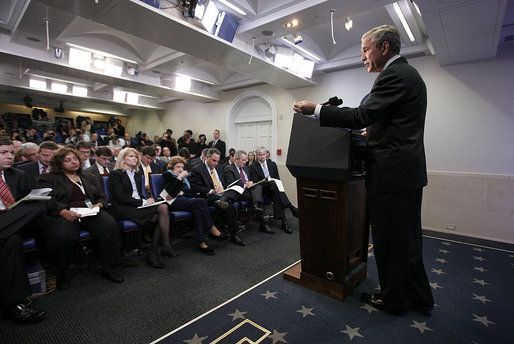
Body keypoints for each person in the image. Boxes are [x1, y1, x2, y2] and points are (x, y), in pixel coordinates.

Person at [293, 25, 434, 315]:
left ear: (384, 48)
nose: (362, 57)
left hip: (392, 175)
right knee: (406, 240)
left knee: (389, 242)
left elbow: (361, 116)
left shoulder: (394, 75)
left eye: (365, 49)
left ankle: (395, 300)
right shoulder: (408, 74)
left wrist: (316, 110)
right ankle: (418, 296)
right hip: (404, 173)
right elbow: (384, 122)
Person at [35, 148, 125, 289]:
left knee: (109, 226)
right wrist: (62, 211)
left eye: (75, 159)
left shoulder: (88, 176)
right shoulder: (49, 178)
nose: (73, 162)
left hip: (89, 211)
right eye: (68, 160)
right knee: (62, 236)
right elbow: (45, 199)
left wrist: (99, 204)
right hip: (65, 213)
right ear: (59, 163)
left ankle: (108, 267)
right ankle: (61, 275)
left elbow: (101, 195)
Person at [0, 137, 47, 323]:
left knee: (38, 207)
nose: (10, 157)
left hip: (12, 221)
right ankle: (15, 306)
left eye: (12, 152)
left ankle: (14, 305)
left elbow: (25, 206)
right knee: (11, 240)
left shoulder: (17, 175)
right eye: (3, 153)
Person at [108, 148, 175, 268]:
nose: (135, 158)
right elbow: (120, 198)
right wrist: (143, 202)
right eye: (131, 156)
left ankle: (158, 250)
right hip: (123, 208)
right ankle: (161, 247)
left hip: (138, 206)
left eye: (135, 156)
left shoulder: (138, 174)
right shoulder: (115, 174)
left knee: (163, 209)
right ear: (123, 159)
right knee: (163, 212)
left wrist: (148, 201)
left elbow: (139, 193)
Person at [162, 156, 228, 255]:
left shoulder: (185, 178)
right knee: (201, 202)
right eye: (178, 167)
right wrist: (179, 178)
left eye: (182, 167)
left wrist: (183, 193)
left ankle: (201, 243)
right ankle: (211, 228)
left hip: (185, 200)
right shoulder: (167, 175)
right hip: (172, 202)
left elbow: (191, 192)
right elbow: (170, 193)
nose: (180, 169)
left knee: (198, 210)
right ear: (172, 167)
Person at [190, 148, 246, 246]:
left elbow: (224, 182)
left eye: (217, 161)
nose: (216, 163)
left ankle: (223, 200)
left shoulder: (219, 168)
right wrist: (212, 190)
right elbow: (196, 188)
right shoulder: (197, 169)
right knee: (229, 204)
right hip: (209, 196)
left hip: (223, 193)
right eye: (213, 160)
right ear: (207, 157)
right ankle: (234, 234)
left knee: (235, 190)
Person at [249, 146, 298, 234]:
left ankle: (284, 222)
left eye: (264, 154)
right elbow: (256, 182)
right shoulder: (253, 166)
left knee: (276, 193)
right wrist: (268, 181)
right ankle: (291, 208)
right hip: (262, 189)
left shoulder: (272, 164)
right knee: (274, 185)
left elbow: (277, 179)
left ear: (266, 154)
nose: (262, 157)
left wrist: (273, 182)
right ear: (257, 156)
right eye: (260, 155)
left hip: (273, 188)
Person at [224, 150, 273, 234]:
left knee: (258, 186)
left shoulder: (245, 167)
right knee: (256, 198)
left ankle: (255, 206)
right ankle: (262, 223)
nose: (245, 162)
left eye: (245, 160)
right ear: (236, 159)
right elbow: (231, 184)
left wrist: (251, 182)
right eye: (243, 160)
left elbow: (249, 179)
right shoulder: (229, 168)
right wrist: (244, 185)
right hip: (239, 191)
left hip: (248, 189)